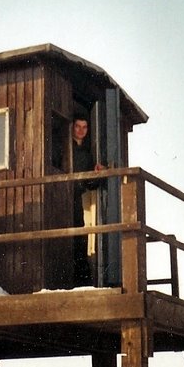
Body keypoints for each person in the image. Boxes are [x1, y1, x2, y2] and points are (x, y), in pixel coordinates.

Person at [70, 114, 104, 286]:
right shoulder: (64, 147)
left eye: (84, 127)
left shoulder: (87, 154)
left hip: (78, 198)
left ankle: (81, 281)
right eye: (78, 126)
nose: (81, 130)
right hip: (63, 195)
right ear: (72, 127)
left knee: (80, 236)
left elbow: (91, 184)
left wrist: (97, 173)